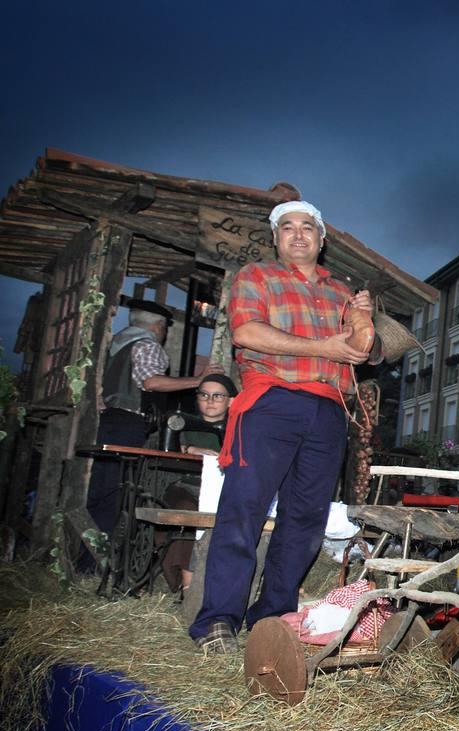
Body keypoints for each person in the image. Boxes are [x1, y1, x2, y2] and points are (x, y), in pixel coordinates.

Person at [188, 200, 381, 653]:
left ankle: (270, 620)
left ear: (322, 239)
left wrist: (364, 318)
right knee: (243, 511)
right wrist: (326, 347)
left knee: (305, 522)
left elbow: (363, 354)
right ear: (275, 238)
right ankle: (217, 622)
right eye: (287, 228)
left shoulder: (342, 292)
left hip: (329, 411)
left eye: (308, 227)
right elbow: (247, 334)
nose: (298, 234)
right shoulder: (256, 277)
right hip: (271, 400)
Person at [86, 305, 222, 552]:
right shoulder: (147, 345)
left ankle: (90, 557)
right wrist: (199, 380)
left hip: (109, 420)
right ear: (159, 326)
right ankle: (97, 560)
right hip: (129, 423)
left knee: (102, 490)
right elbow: (151, 382)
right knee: (116, 493)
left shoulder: (117, 346)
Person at [160, 373, 236, 592]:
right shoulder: (181, 425)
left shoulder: (240, 429)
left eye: (217, 396)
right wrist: (188, 449)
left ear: (230, 400)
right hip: (185, 487)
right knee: (187, 511)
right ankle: (187, 585)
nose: (210, 400)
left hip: (223, 491)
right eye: (204, 395)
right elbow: (162, 448)